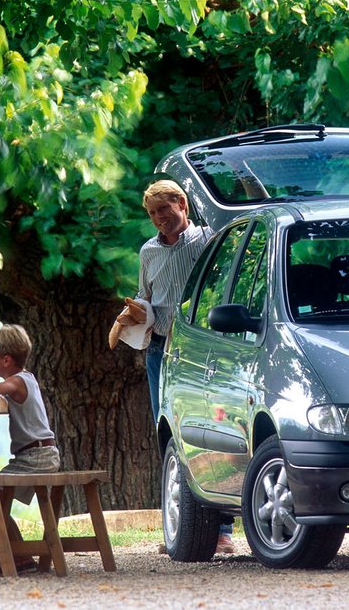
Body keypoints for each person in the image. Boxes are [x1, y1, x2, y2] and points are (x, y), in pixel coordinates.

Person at [125, 180, 235, 555]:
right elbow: (146, 298)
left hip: (202, 352)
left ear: (182, 205)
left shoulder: (207, 240)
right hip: (160, 352)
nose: (159, 219)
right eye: (153, 214)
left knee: (209, 435)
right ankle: (183, 526)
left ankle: (222, 531)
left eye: (165, 210)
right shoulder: (148, 251)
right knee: (169, 437)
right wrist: (133, 313)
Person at [0, 324, 60, 573]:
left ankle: (19, 558)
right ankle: (21, 557)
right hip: (40, 454)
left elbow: (3, 389)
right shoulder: (27, 378)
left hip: (35, 457)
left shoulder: (18, 381)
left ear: (6, 360)